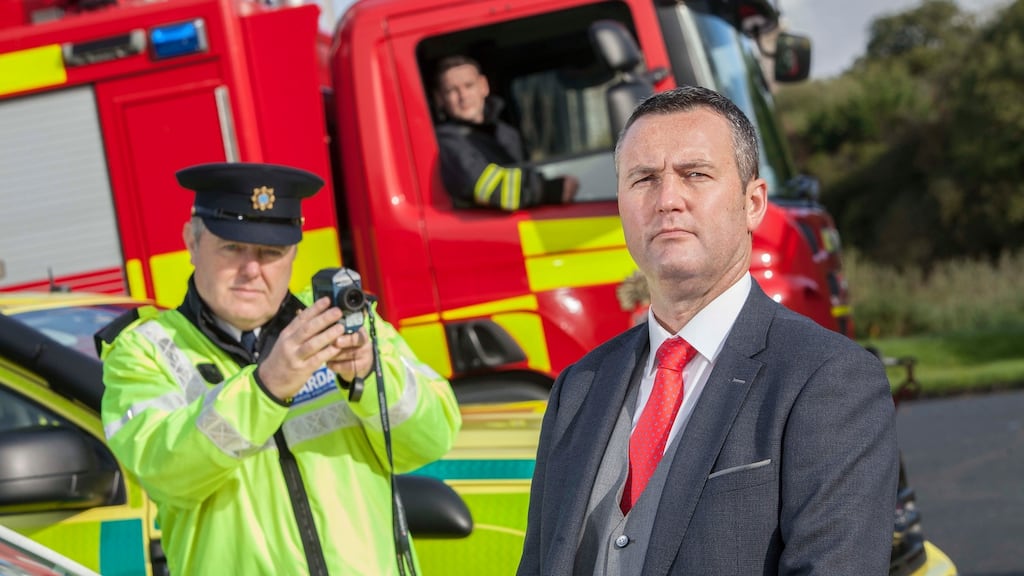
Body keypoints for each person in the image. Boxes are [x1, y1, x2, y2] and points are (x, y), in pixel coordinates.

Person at [517, 86, 898, 575]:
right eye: (643, 179)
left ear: (753, 202)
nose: (667, 199)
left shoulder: (831, 380)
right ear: (620, 205)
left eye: (694, 174)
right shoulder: (578, 387)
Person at [97, 162, 462, 575]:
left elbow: (433, 438)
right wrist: (266, 388)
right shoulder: (144, 350)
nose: (252, 270)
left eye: (271, 253)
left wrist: (370, 377)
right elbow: (163, 472)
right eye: (232, 247)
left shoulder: (343, 319)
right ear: (191, 241)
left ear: (293, 255)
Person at [433, 55, 579, 210]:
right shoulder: (446, 140)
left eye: (469, 86)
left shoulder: (507, 133)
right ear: (440, 99)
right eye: (451, 91)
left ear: (484, 86)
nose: (463, 96)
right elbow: (487, 187)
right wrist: (548, 190)